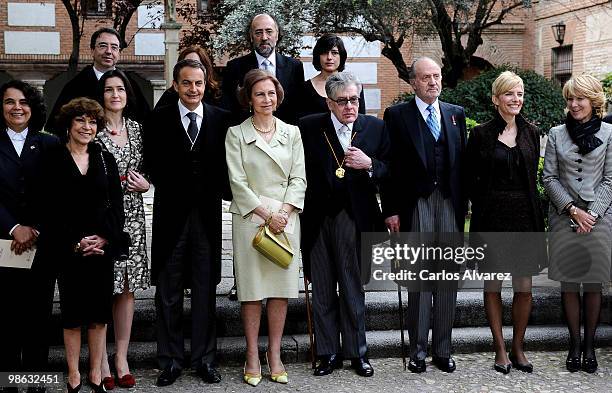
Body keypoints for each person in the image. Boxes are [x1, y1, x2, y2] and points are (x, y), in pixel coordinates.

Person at [143, 59, 231, 386]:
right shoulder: (159, 119)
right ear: (176, 85)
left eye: (198, 83)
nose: (192, 89)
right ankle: (170, 360)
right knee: (168, 292)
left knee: (206, 290)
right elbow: (151, 164)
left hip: (207, 218)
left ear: (205, 84)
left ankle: (205, 359)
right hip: (170, 218)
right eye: (186, 83)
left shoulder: (222, 120)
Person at [380, 57, 467, 373]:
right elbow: (387, 167)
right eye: (426, 77)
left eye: (437, 76)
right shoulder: (397, 115)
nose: (433, 82)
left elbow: (461, 167)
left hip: (448, 204)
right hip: (414, 205)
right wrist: (389, 210)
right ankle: (417, 351)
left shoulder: (456, 115)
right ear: (413, 82)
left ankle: (442, 350)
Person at [299, 72, 388, 378]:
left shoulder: (374, 127)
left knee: (352, 288)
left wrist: (371, 165)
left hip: (355, 218)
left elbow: (392, 170)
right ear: (329, 102)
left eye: (354, 99)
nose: (350, 106)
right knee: (322, 288)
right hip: (317, 218)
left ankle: (357, 353)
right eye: (343, 101)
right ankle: (328, 353)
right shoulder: (309, 126)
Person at [225, 69, 306, 386]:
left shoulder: (293, 133)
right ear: (248, 98)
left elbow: (299, 179)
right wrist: (266, 213)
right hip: (251, 221)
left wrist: (283, 212)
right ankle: (252, 355)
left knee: (280, 291)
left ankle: (274, 353)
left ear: (278, 96)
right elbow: (237, 182)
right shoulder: (236, 134)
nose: (266, 99)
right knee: (251, 291)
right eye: (259, 93)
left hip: (286, 221)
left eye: (271, 93)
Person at [38, 97, 124, 393]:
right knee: (73, 315)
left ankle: (96, 374)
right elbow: (47, 208)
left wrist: (104, 237)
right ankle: (74, 374)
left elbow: (117, 207)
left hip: (100, 250)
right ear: (69, 124)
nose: (87, 127)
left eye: (92, 122)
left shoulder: (104, 159)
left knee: (99, 315)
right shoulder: (52, 158)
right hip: (67, 249)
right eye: (81, 120)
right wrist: (74, 242)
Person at [465, 71, 545, 374]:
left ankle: (518, 347)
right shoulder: (481, 134)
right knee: (493, 285)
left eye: (520, 94)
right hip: (492, 217)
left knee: (524, 288)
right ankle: (500, 349)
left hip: (525, 216)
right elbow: (469, 177)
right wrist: (483, 206)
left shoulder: (531, 132)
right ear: (496, 98)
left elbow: (531, 175)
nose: (516, 99)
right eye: (510, 94)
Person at [543, 74, 612, 374]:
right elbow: (549, 178)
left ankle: (590, 346)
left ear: (594, 102)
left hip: (600, 218)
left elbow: (610, 180)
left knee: (594, 283)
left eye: (579, 99)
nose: (573, 104)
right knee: (570, 283)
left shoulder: (610, 133)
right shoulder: (557, 134)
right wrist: (572, 210)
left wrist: (592, 213)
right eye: (570, 99)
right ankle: (573, 344)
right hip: (564, 216)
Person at [0, 80, 59, 393]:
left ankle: (36, 382)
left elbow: (56, 194)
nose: (17, 108)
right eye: (9, 102)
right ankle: (9, 382)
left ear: (32, 106)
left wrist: (35, 227)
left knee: (38, 317)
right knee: (7, 317)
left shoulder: (49, 144)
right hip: (4, 242)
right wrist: (14, 227)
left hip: (41, 242)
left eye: (23, 101)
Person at [94, 69, 150, 390]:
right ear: (101, 95)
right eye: (109, 90)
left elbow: (146, 171)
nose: (115, 95)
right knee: (104, 284)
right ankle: (100, 359)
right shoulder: (92, 129)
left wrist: (145, 184)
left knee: (127, 286)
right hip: (103, 216)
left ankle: (122, 357)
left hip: (133, 216)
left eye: (120, 89)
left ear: (127, 95)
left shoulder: (138, 130)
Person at [46, 27, 150, 134]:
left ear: (119, 53)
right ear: (92, 51)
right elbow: (56, 126)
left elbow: (146, 121)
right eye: (103, 46)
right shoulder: (75, 85)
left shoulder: (130, 84)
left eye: (114, 47)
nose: (109, 51)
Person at [221, 13, 304, 125]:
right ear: (251, 36)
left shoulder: (295, 67)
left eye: (269, 31)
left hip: (286, 136)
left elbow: (298, 107)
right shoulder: (235, 68)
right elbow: (230, 108)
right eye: (258, 33)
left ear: (277, 35)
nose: (264, 37)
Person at [300, 33, 365, 118]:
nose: (329, 57)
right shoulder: (303, 89)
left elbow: (361, 118)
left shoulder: (354, 86)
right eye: (324, 53)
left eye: (334, 53)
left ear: (341, 56)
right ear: (318, 56)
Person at [155, 45, 221, 109]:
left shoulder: (216, 95)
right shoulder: (169, 97)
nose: (191, 67)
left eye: (196, 64)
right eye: (187, 63)